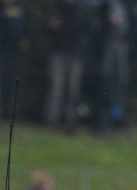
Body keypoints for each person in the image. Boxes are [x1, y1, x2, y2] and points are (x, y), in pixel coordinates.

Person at [43, 0, 87, 131]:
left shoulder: (81, 11)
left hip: (76, 55)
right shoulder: (55, 9)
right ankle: (52, 120)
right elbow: (48, 28)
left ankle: (70, 120)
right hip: (58, 53)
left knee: (73, 89)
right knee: (56, 87)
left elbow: (84, 31)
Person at [87, 0, 130, 133]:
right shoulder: (98, 5)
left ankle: (115, 119)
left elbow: (126, 27)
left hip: (118, 53)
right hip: (104, 53)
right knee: (103, 88)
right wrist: (107, 20)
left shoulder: (120, 5)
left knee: (117, 88)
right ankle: (101, 122)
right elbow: (94, 26)